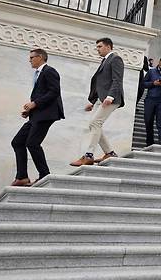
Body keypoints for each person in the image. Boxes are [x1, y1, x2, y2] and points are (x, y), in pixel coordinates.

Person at [10, 48, 64, 186]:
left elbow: (54, 91)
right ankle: (22, 177)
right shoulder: (39, 73)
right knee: (17, 142)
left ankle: (45, 175)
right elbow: (43, 94)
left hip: (46, 115)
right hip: (37, 115)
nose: (30, 60)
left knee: (32, 143)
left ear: (40, 57)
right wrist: (30, 110)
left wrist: (35, 103)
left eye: (32, 57)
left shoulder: (49, 71)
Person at [71, 38, 124, 166]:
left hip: (111, 99)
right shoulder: (105, 61)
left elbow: (117, 80)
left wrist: (110, 97)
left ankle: (88, 155)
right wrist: (93, 101)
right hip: (101, 99)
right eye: (97, 47)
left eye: (100, 46)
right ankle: (110, 153)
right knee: (94, 125)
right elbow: (100, 84)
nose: (97, 49)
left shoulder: (115, 59)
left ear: (108, 47)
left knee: (95, 123)